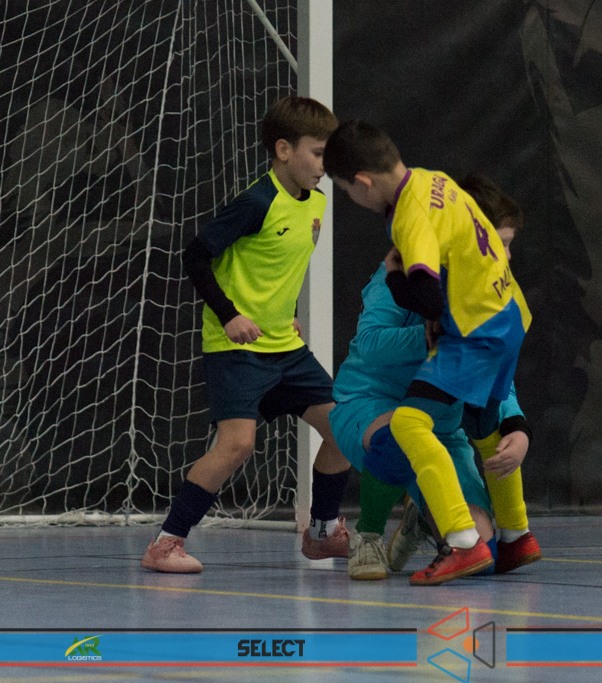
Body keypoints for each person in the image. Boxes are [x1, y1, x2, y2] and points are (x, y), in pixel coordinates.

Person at [141, 96, 352, 573]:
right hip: (238, 349)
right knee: (237, 446)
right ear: (284, 150)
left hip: (286, 348)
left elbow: (276, 266)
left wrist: (286, 314)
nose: (326, 164)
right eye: (319, 153)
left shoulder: (317, 201)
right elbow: (196, 256)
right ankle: (165, 544)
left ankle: (322, 534)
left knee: (344, 429)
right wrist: (230, 315)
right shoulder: (257, 202)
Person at [324, 121, 533, 585]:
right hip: (370, 400)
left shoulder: (470, 274)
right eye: (497, 244)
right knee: (401, 430)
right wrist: (425, 336)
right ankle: (369, 534)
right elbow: (370, 344)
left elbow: (485, 358)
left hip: (442, 420)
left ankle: (452, 523)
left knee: (485, 554)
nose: (501, 258)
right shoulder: (414, 247)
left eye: (506, 246)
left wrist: (517, 428)